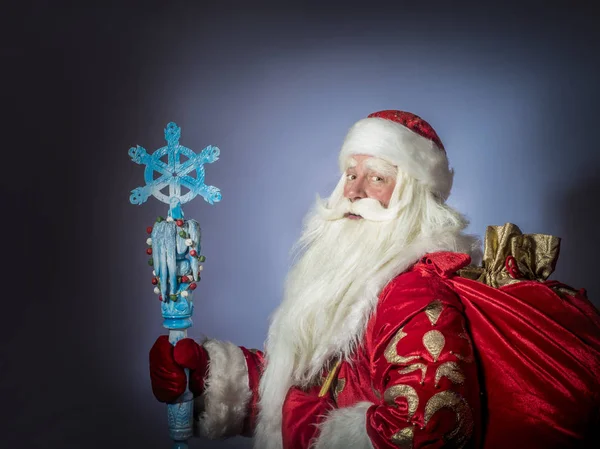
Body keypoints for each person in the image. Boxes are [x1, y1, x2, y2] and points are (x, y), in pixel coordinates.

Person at [149, 110, 599, 448]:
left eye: (377, 177)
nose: (353, 191)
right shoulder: (362, 278)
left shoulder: (411, 292)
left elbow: (425, 433)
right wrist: (209, 376)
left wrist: (292, 416)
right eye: (350, 173)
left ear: (415, 198)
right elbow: (324, 381)